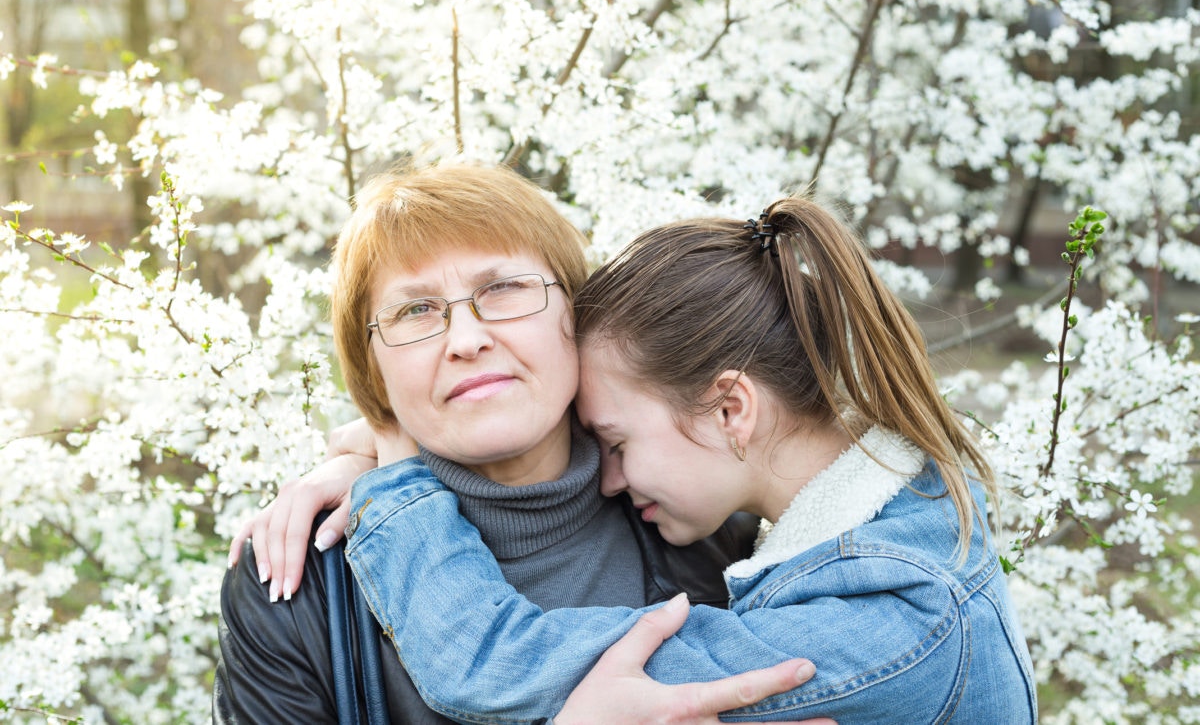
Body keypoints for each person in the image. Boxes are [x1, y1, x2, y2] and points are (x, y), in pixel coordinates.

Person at [335, 195, 1040, 722]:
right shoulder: (899, 523)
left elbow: (486, 658)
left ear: (731, 410)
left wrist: (393, 481)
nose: (607, 476)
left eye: (616, 443)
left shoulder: (889, 613)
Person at [212, 163, 826, 723]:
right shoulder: (296, 587)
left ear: (576, 316)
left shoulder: (721, 522)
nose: (465, 338)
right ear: (373, 372)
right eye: (416, 312)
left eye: (504, 289)